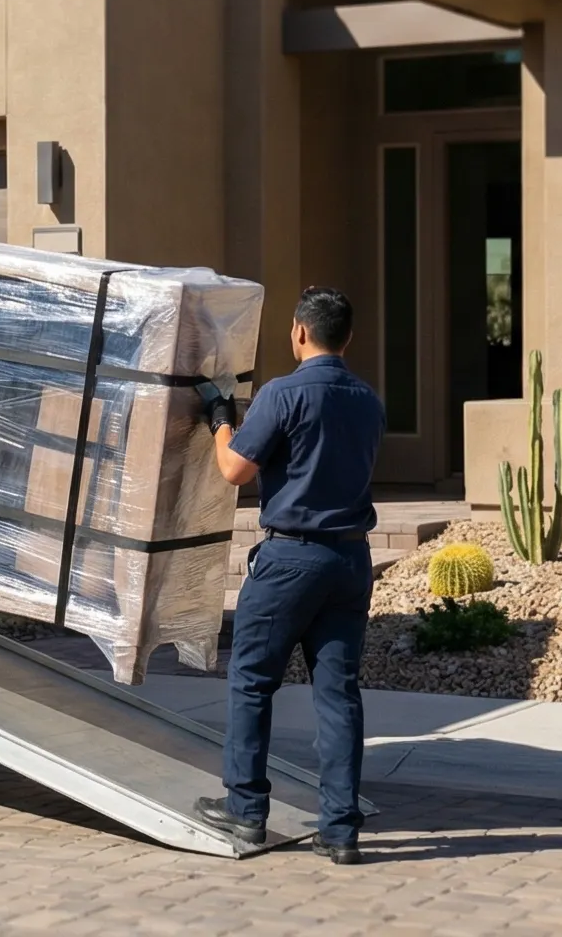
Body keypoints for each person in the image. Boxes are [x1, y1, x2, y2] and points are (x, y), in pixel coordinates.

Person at [192, 286, 383, 864]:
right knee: (339, 693)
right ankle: (340, 830)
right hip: (350, 560)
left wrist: (220, 421)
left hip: (291, 559)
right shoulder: (369, 400)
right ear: (347, 338)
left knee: (252, 680)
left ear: (299, 332)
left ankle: (246, 810)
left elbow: (233, 469)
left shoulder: (283, 393)